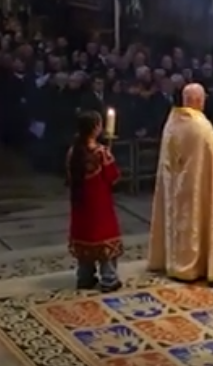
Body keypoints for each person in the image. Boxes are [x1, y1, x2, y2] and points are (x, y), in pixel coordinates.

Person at [148, 83, 213, 282]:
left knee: (178, 225)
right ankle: (195, 265)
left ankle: (174, 262)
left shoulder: (172, 122)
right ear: (198, 101)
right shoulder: (199, 125)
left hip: (175, 186)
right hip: (198, 185)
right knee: (196, 225)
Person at [66, 111, 123, 292]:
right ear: (96, 129)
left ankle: (85, 276)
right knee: (102, 237)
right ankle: (109, 278)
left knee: (85, 237)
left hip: (80, 204)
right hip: (99, 206)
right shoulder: (101, 153)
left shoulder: (73, 152)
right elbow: (113, 177)